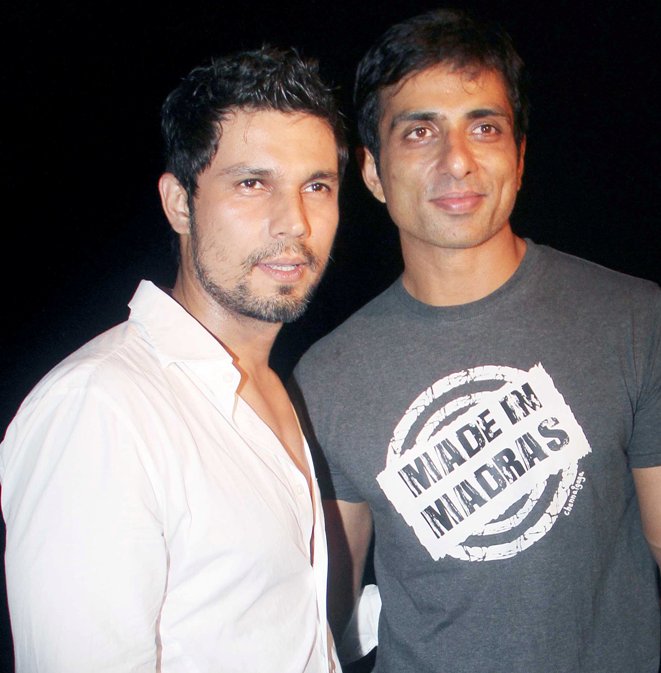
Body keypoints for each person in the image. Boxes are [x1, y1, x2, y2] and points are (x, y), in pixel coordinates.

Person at [292, 9, 661, 673]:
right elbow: (321, 614)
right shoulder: (323, 379)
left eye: (483, 127)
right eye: (419, 131)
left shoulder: (634, 319)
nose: (456, 161)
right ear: (372, 173)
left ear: (518, 157)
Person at [0, 46, 348, 673]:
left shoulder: (267, 387)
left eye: (316, 186)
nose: (294, 222)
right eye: (252, 184)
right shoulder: (101, 409)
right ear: (180, 204)